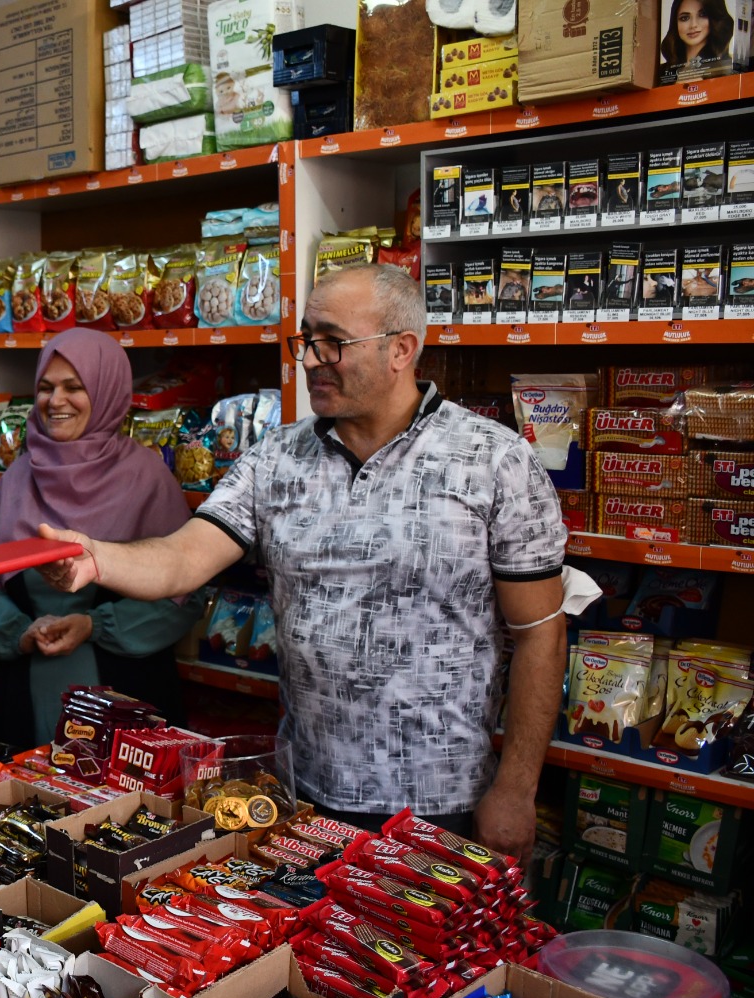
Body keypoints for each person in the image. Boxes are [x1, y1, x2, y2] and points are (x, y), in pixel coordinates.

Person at [38, 264, 566, 862]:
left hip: (443, 800)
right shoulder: (277, 458)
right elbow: (186, 556)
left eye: (332, 342)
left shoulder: (494, 462)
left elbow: (540, 633)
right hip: (302, 794)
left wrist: (517, 788)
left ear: (401, 350)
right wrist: (96, 558)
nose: (311, 359)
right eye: (305, 340)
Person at [0, 329, 203, 746]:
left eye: (74, 387)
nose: (55, 401)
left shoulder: (147, 478)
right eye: (45, 387)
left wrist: (95, 626)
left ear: (108, 391)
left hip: (129, 699)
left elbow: (185, 598)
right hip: (24, 694)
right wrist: (19, 631)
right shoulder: (19, 477)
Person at [659, 0, 735, 82]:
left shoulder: (730, 66)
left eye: (702, 15)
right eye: (684, 18)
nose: (693, 25)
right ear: (675, 23)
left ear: (714, 18)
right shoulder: (662, 72)